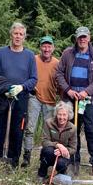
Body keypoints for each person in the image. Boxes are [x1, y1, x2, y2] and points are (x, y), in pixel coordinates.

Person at [0, 22, 37, 171]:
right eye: (16, 33)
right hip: (2, 97)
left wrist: (21, 87)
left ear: (24, 37)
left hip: (20, 97)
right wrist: (5, 88)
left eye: (21, 34)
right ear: (11, 35)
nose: (18, 36)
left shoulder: (29, 56)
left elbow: (33, 79)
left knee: (17, 129)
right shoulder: (1, 52)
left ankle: (13, 162)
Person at [55, 25, 93, 176]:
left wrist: (86, 91)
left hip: (88, 100)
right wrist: (68, 90)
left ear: (89, 38)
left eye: (85, 37)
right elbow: (58, 74)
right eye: (80, 37)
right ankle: (72, 160)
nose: (82, 40)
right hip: (70, 99)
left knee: (90, 130)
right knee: (72, 130)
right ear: (76, 38)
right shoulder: (67, 54)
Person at [21, 35, 60, 167]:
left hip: (50, 101)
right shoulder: (33, 59)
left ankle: (45, 158)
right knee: (29, 129)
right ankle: (27, 156)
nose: (46, 49)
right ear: (40, 47)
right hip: (34, 98)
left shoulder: (57, 63)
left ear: (53, 48)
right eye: (44, 46)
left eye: (49, 46)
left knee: (48, 132)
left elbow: (60, 82)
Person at [37, 101, 76, 183]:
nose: (62, 117)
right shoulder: (48, 123)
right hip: (51, 151)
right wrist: (58, 145)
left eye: (64, 115)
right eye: (59, 114)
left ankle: (58, 177)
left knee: (61, 163)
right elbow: (44, 141)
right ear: (56, 114)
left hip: (63, 155)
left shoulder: (73, 128)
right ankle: (41, 174)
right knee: (47, 151)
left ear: (68, 115)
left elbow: (73, 148)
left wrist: (63, 151)